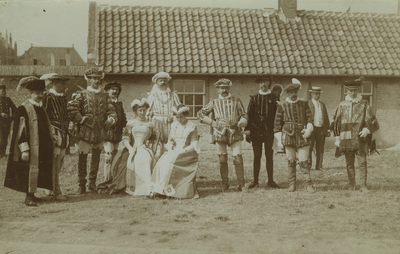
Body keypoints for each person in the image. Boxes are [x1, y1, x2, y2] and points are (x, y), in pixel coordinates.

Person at [4, 76, 54, 206]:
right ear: (30, 93)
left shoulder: (41, 107)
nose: (40, 96)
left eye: (41, 93)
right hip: (29, 146)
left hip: (41, 146)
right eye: (37, 93)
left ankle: (33, 194)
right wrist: (24, 149)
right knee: (27, 171)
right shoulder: (23, 108)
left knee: (38, 170)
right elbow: (20, 132)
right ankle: (28, 197)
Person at [67, 67, 117, 195]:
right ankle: (81, 185)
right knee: (82, 157)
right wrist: (81, 119)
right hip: (86, 130)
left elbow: (112, 110)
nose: (96, 81)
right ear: (88, 80)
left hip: (100, 129)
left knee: (96, 157)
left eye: (98, 78)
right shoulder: (82, 94)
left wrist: (111, 119)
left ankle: (92, 184)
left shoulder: (105, 96)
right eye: (93, 78)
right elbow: (72, 108)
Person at [197, 78, 248, 191]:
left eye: (226, 87)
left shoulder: (236, 101)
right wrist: (212, 123)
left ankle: (241, 184)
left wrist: (243, 121)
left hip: (235, 132)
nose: (224, 90)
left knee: (238, 157)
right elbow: (200, 114)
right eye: (221, 88)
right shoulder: (214, 102)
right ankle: (225, 183)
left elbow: (244, 114)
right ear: (218, 90)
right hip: (220, 133)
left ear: (229, 88)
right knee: (222, 158)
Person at [97, 98, 155, 196]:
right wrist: (131, 149)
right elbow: (125, 139)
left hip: (144, 147)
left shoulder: (150, 124)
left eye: (144, 110)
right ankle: (130, 185)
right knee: (128, 160)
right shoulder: (131, 123)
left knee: (146, 159)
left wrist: (149, 147)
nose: (142, 112)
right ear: (136, 111)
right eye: (140, 110)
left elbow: (153, 139)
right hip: (131, 147)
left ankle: (145, 186)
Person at [331, 78, 379, 193]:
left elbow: (372, 120)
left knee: (362, 162)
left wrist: (367, 130)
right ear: (346, 91)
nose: (353, 93)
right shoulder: (342, 105)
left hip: (360, 138)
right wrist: (337, 137)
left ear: (358, 90)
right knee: (349, 162)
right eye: (350, 91)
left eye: (355, 90)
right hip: (346, 138)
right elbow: (336, 122)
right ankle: (351, 183)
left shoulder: (364, 104)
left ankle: (363, 185)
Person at [274, 78, 315, 193]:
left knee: (304, 160)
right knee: (291, 160)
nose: (293, 94)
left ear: (298, 92)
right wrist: (279, 139)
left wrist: (309, 129)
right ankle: (292, 184)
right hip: (288, 135)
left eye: (295, 92)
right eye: (291, 93)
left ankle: (308, 184)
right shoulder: (282, 105)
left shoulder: (304, 104)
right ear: (287, 93)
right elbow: (277, 124)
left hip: (302, 135)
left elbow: (310, 119)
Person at [150, 105, 199, 199]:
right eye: (177, 117)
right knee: (162, 161)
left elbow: (194, 144)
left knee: (169, 163)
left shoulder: (192, 126)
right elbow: (170, 141)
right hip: (174, 151)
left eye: (181, 117)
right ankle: (158, 189)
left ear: (186, 115)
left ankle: (167, 191)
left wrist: (182, 150)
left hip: (187, 153)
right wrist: (171, 148)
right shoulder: (174, 125)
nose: (179, 120)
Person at [244, 76, 280, 189]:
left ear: (269, 83)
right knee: (257, 156)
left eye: (265, 82)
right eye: (261, 83)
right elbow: (249, 115)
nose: (263, 85)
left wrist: (278, 130)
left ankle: (270, 181)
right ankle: (255, 181)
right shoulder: (254, 98)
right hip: (256, 130)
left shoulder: (275, 98)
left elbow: (278, 115)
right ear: (258, 84)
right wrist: (248, 131)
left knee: (269, 156)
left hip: (269, 130)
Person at [41, 73, 70, 201]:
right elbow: (44, 116)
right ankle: (56, 191)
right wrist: (50, 134)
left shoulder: (63, 97)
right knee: (54, 162)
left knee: (60, 162)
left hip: (63, 133)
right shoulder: (48, 97)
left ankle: (52, 188)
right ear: (54, 83)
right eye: (62, 83)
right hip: (54, 132)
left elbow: (66, 115)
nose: (64, 85)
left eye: (65, 83)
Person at [147, 72, 181, 157]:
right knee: (157, 146)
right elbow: (147, 111)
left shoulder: (173, 95)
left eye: (165, 80)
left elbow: (179, 108)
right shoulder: (153, 95)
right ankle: (156, 164)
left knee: (171, 145)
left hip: (170, 122)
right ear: (156, 82)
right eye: (160, 81)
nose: (163, 82)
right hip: (157, 122)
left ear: (168, 82)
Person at [103, 81, 127, 181]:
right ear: (108, 91)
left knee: (117, 158)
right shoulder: (104, 103)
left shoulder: (119, 104)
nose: (114, 91)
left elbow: (123, 119)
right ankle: (106, 180)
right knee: (108, 157)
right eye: (112, 89)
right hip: (108, 133)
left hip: (118, 134)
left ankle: (115, 180)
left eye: (116, 90)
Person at [307, 87, 330, 171]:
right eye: (315, 94)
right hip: (311, 129)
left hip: (321, 129)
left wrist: (327, 129)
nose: (317, 95)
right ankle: (308, 166)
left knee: (320, 148)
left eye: (318, 94)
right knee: (309, 147)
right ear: (312, 94)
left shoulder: (322, 104)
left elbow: (326, 117)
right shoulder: (307, 103)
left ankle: (319, 166)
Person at [0, 81, 17, 158]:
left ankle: (3, 153)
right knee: (1, 138)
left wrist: (11, 118)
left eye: (4, 91)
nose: (4, 92)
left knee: (6, 138)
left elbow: (15, 109)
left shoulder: (8, 100)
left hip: (6, 122)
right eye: (2, 91)